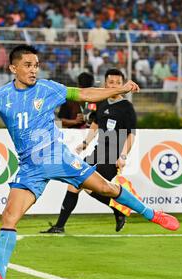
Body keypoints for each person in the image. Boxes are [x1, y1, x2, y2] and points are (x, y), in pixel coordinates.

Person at [0, 45, 179, 279]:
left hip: (58, 158)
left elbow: (85, 94)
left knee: (105, 188)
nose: (33, 70)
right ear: (13, 68)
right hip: (30, 168)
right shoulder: (0, 98)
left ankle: (152, 214)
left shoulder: (48, 88)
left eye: (36, 65)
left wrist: (119, 89)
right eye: (28, 65)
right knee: (9, 216)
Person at [41, 69, 135, 234]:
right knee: (74, 183)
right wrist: (85, 142)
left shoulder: (126, 107)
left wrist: (123, 156)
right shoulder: (102, 102)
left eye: (118, 83)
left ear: (122, 85)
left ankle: (118, 209)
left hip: (113, 154)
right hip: (98, 151)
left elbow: (131, 134)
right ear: (106, 84)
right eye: (111, 82)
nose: (114, 85)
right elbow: (96, 124)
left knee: (88, 185)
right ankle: (60, 226)